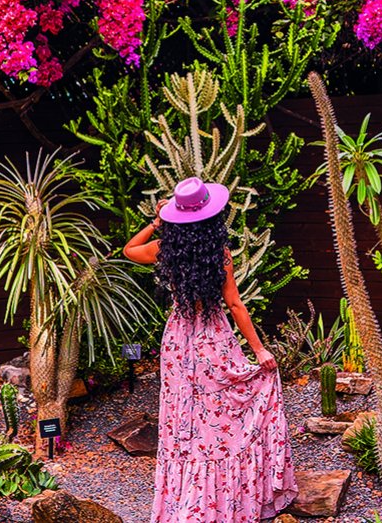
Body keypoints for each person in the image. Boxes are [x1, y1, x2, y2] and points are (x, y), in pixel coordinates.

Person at [124, 177, 298, 523]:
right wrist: (259, 350)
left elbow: (129, 250)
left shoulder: (163, 249)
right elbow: (234, 304)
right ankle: (224, 500)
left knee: (182, 418)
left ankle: (186, 500)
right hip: (212, 338)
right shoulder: (219, 254)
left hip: (177, 340)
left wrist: (156, 223)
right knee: (221, 415)